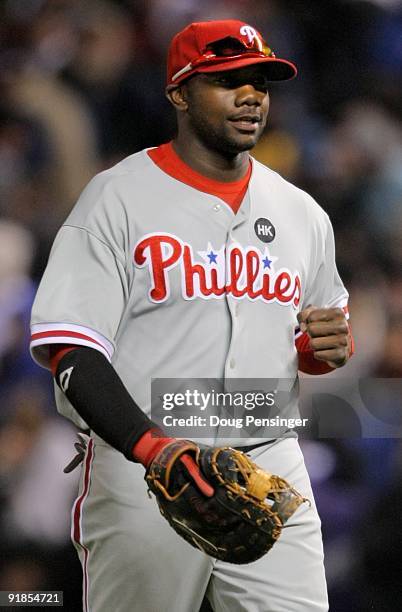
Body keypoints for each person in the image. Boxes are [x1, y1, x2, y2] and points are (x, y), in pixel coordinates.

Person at [30, 19, 353, 612]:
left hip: (266, 461)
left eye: (260, 81)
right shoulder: (117, 197)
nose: (250, 94)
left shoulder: (302, 212)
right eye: (227, 80)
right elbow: (70, 351)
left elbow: (314, 337)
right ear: (179, 92)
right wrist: (156, 450)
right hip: (145, 464)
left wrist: (321, 347)